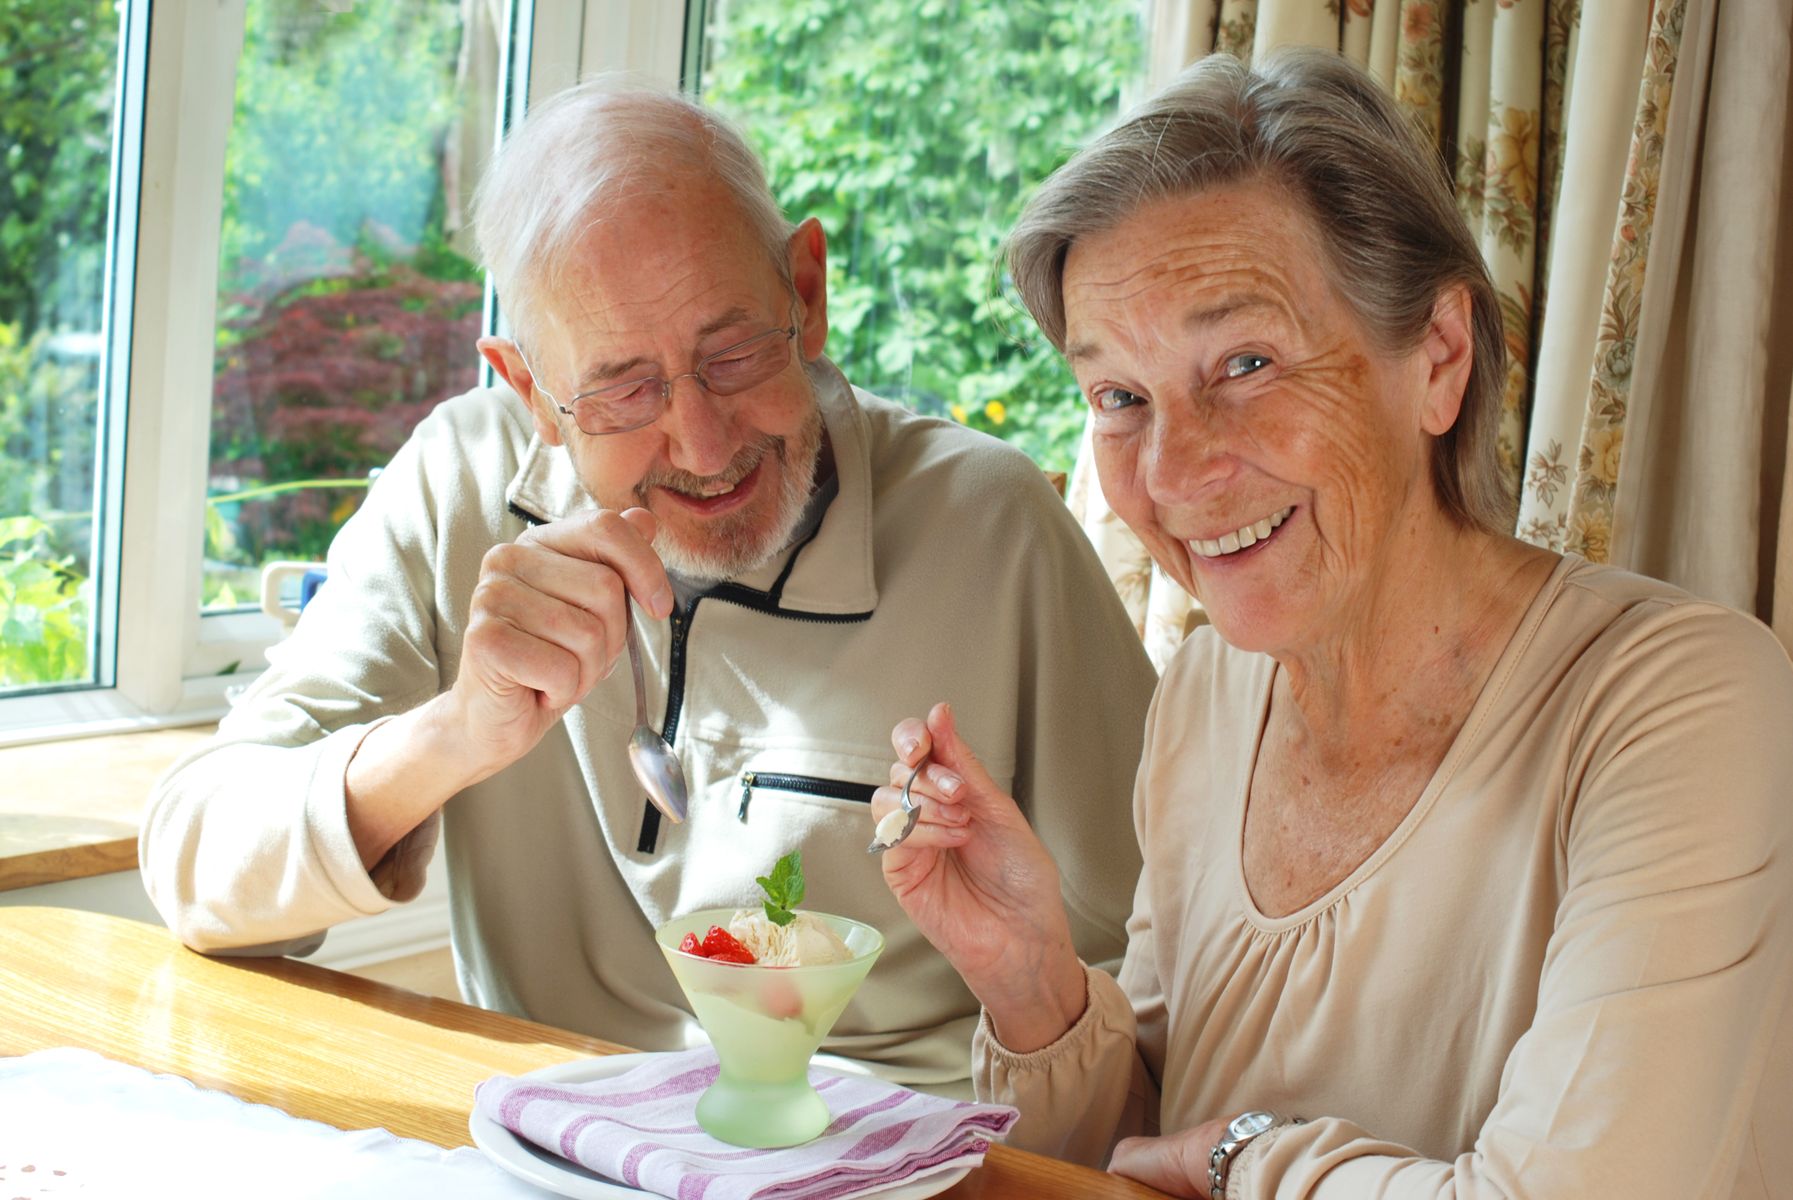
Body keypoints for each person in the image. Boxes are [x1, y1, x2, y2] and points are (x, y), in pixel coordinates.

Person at [872, 48, 1793, 1195]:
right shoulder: (1205, 699)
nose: (1172, 471)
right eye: (1118, 397)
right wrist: (1029, 980)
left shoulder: (1678, 703)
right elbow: (1129, 1160)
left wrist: (1245, 1157)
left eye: (1245, 362)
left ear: (1437, 361)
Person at [140, 78, 1157, 1095]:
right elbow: (194, 868)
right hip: (548, 1151)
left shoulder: (993, 527)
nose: (705, 443)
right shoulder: (456, 484)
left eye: (731, 352)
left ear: (806, 295)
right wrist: (457, 732)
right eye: (624, 388)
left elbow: (1165, 985)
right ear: (533, 392)